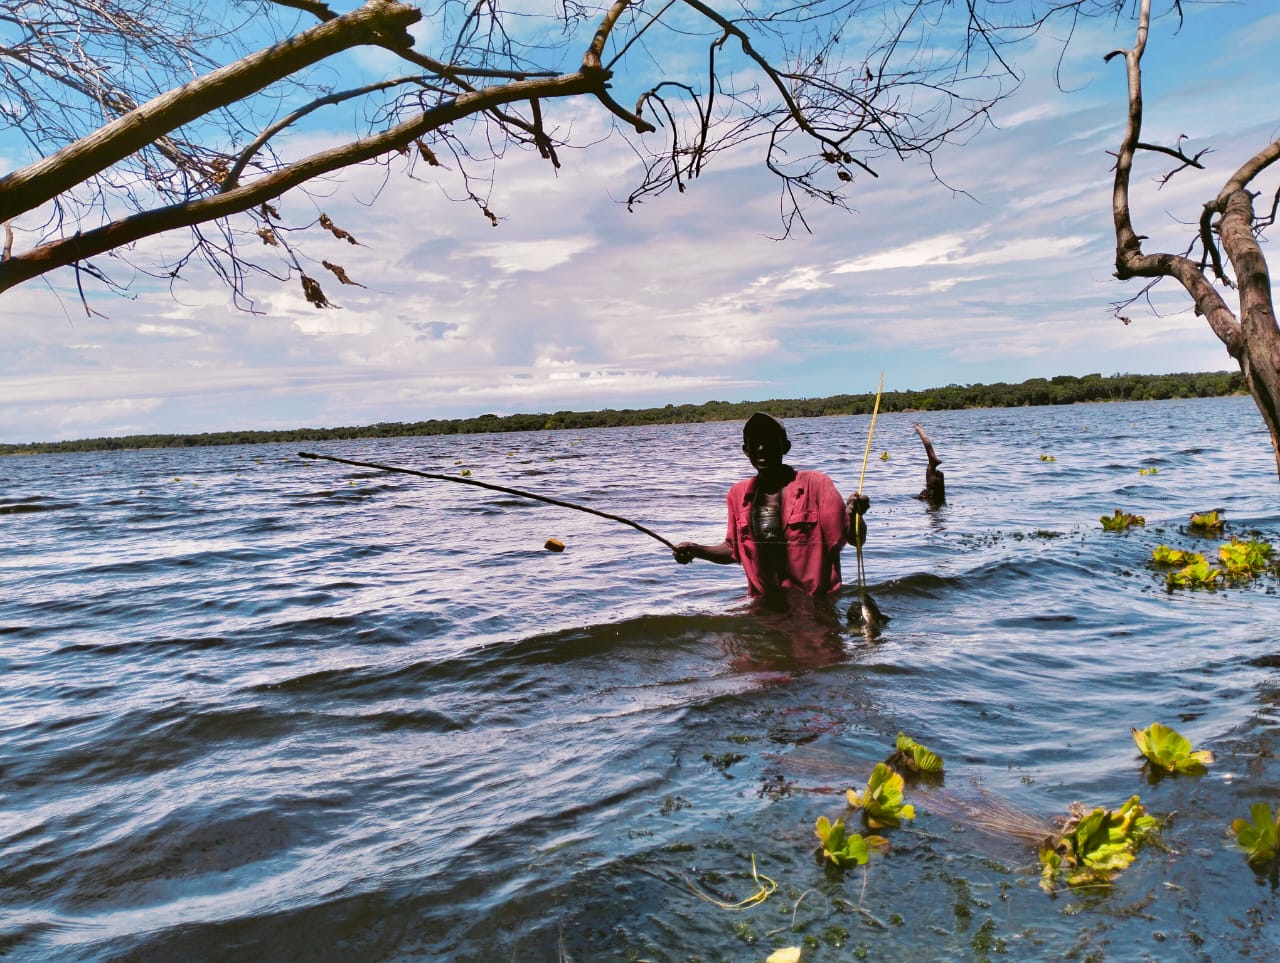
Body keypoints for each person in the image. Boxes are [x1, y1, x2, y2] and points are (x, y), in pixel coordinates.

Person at [673, 412, 869, 599]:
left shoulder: (816, 484)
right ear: (745, 450)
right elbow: (733, 550)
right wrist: (696, 549)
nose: (761, 448)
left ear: (785, 446)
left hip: (815, 605)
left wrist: (855, 516)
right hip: (764, 605)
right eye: (754, 443)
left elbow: (853, 538)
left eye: (768, 442)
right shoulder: (737, 494)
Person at [913, 422, 945, 506]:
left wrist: (920, 497)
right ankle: (919, 430)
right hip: (937, 497)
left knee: (931, 456)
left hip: (939, 497)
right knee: (930, 456)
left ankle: (919, 430)